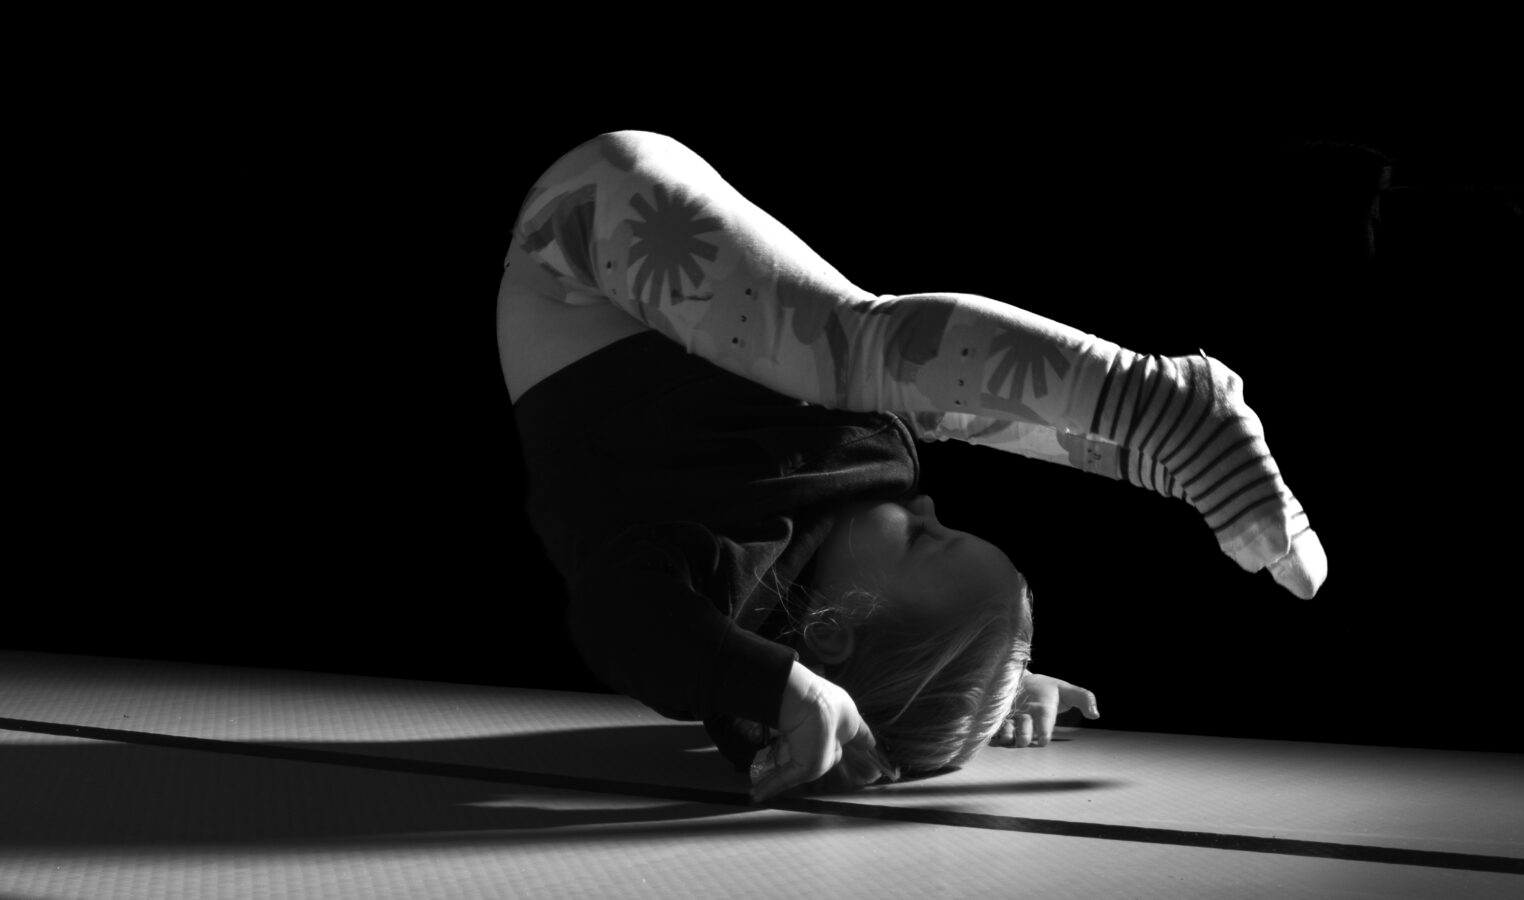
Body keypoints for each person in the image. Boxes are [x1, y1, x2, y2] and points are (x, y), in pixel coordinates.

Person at [498, 131, 1327, 804]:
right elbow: (912, 633)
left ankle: (1162, 404)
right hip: (656, 281)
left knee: (855, 350)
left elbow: (619, 622)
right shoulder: (850, 502)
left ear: (830, 629)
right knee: (923, 399)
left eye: (928, 544)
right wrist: (995, 685)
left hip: (577, 260)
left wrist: (782, 689)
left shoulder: (717, 590)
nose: (929, 510)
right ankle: (1158, 450)